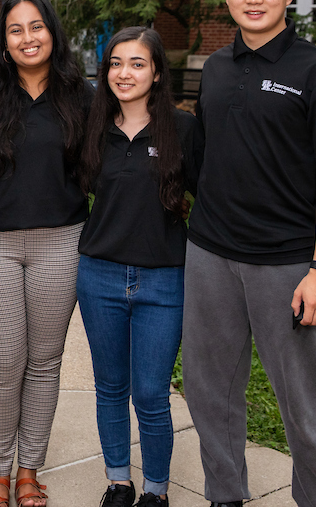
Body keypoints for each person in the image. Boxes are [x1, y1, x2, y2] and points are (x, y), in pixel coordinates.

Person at [183, 0, 316, 507]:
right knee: (210, 396)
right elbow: (204, 161)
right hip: (210, 254)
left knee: (306, 408)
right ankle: (226, 496)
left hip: (286, 265)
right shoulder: (214, 67)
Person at [0, 0, 92, 507]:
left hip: (61, 241)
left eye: (36, 27)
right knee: (3, 360)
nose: (28, 38)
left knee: (44, 360)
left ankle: (29, 472)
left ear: (53, 33)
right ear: (4, 40)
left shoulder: (80, 95)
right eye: (16, 30)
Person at [76, 27, 203, 507]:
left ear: (156, 72)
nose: (124, 73)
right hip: (100, 276)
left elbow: (209, 198)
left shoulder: (182, 129)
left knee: (151, 393)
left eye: (137, 64)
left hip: (165, 279)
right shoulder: (94, 127)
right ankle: (118, 482)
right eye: (115, 63)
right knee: (110, 386)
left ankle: (156, 490)